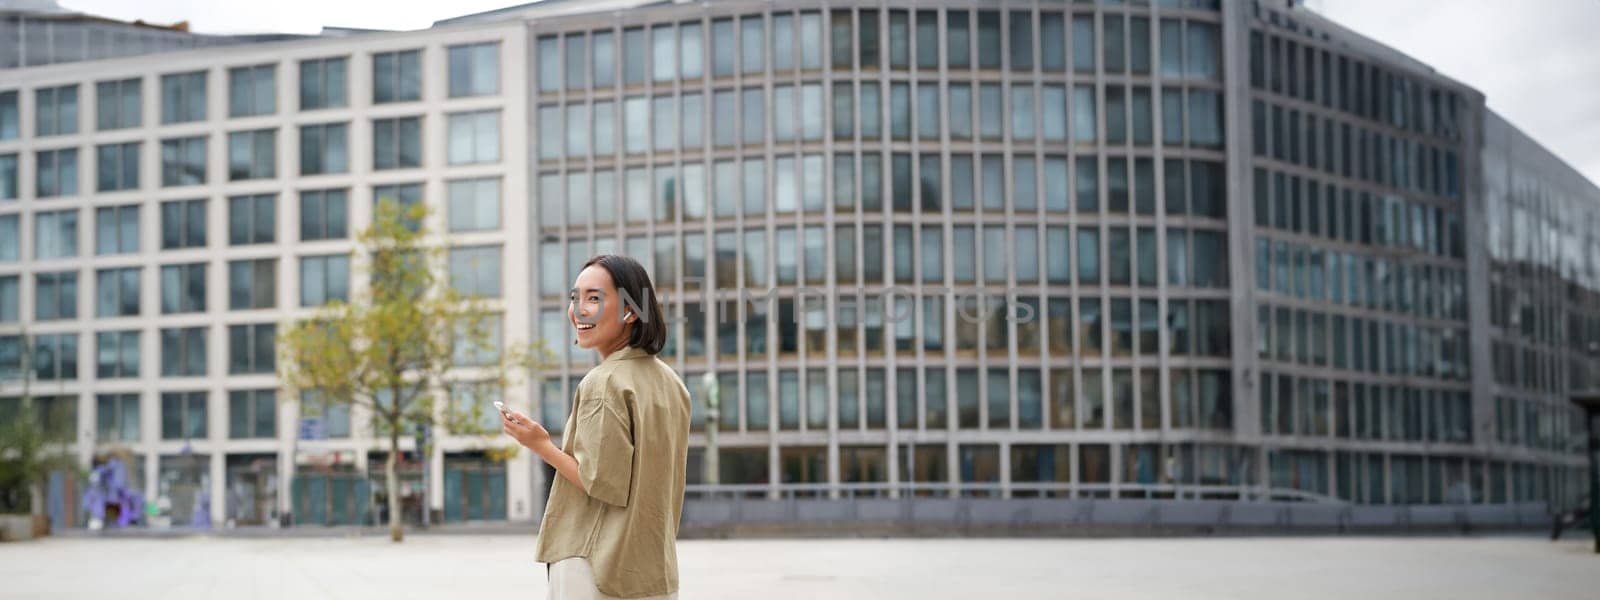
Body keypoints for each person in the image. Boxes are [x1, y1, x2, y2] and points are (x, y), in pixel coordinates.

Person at [501, 255, 690, 600]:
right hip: (651, 568)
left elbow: (600, 481)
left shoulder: (604, 383)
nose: (578, 310)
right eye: (575, 298)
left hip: (593, 565)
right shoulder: (671, 383)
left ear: (631, 311)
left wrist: (541, 444)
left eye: (594, 298)